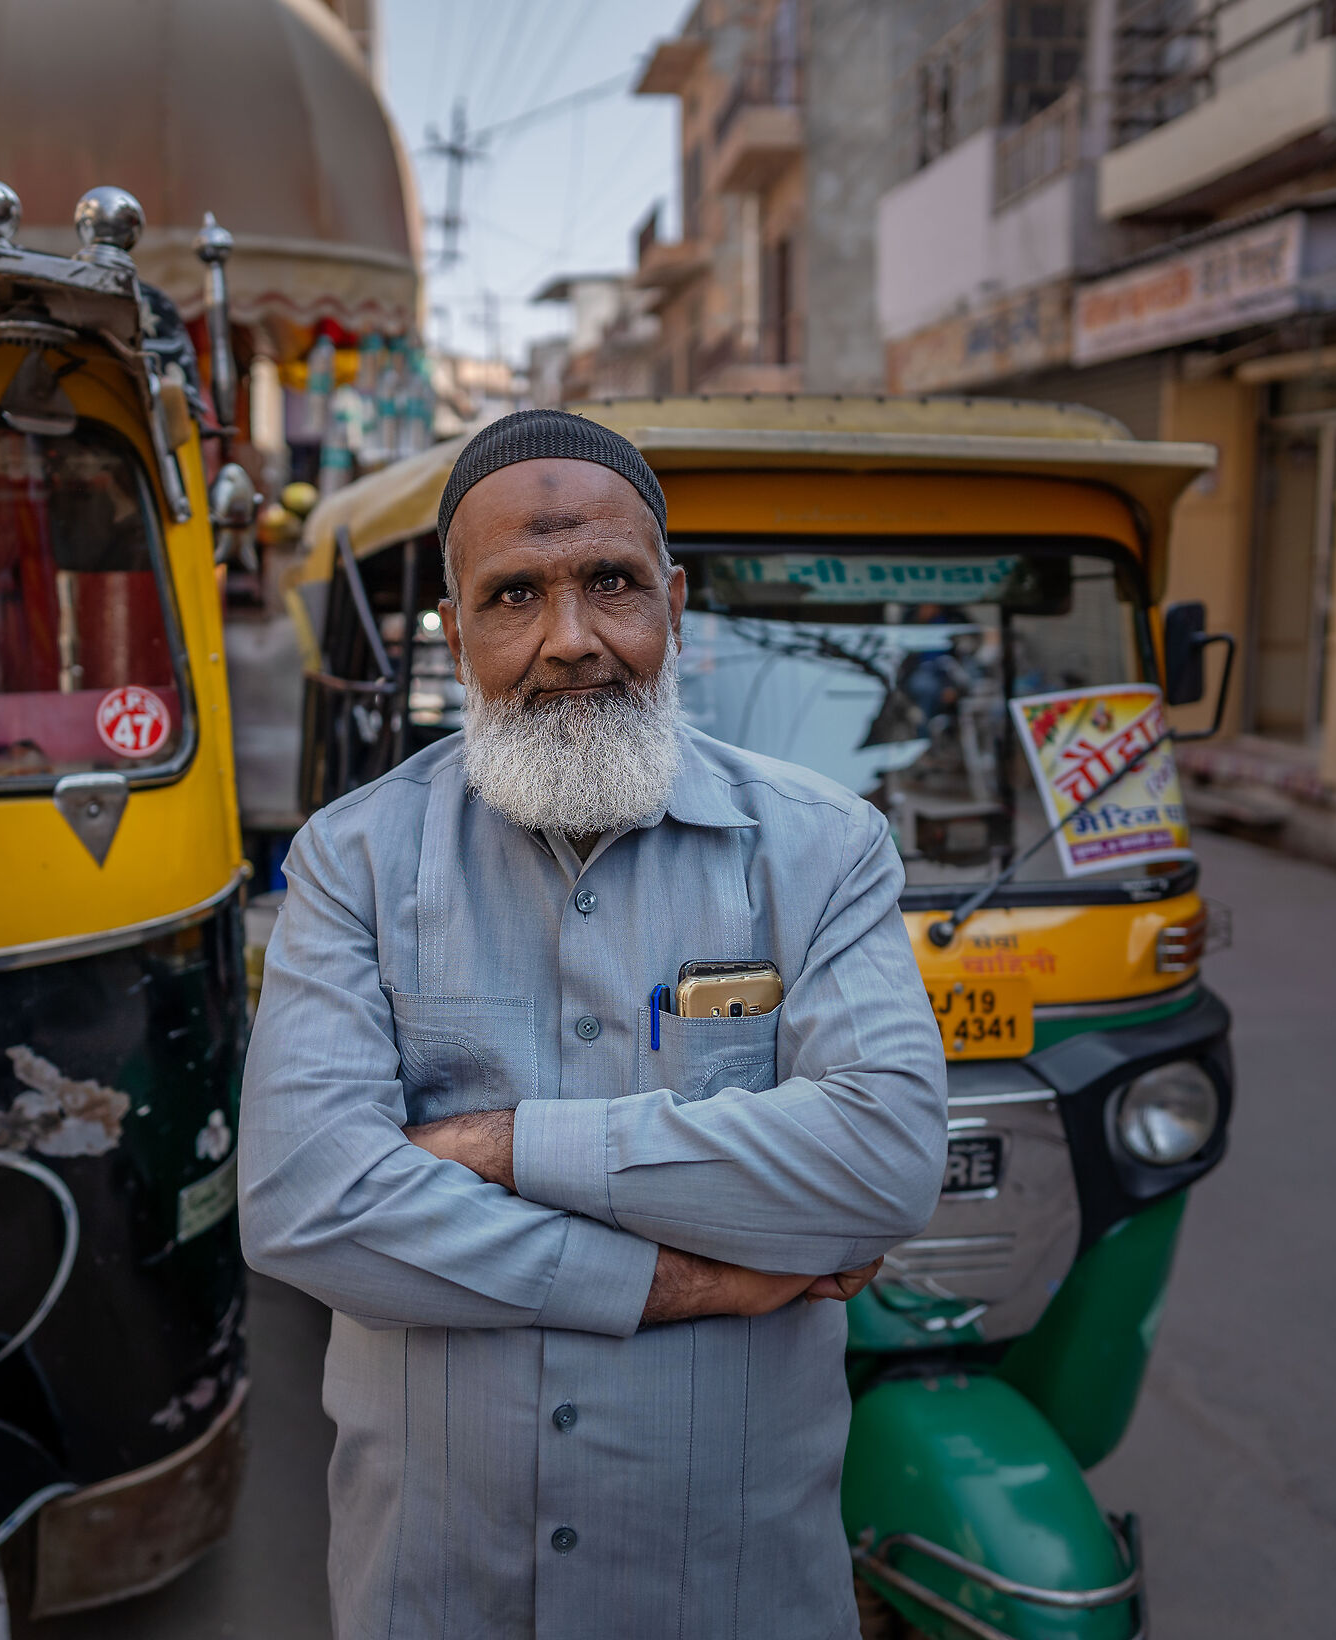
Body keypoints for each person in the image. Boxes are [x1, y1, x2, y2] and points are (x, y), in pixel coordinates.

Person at [240, 409, 948, 1637]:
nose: (571, 640)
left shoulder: (824, 846)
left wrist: (503, 1145)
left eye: (609, 582)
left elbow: (883, 1161)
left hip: (730, 1589)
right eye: (516, 595)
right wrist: (683, 1280)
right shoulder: (353, 860)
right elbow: (309, 1203)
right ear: (456, 635)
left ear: (673, 603)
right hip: (438, 1585)